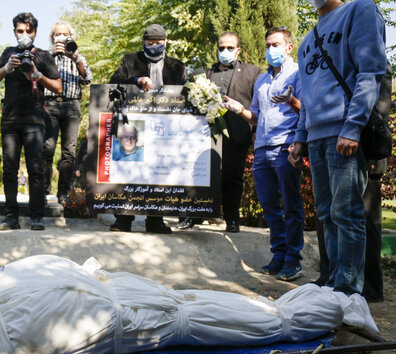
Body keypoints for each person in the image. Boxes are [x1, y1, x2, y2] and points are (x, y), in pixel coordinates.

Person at [289, 0, 386, 295]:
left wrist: (353, 126)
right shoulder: (307, 38)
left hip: (343, 132)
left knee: (347, 213)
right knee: (326, 214)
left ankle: (348, 289)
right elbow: (306, 96)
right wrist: (299, 137)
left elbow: (369, 73)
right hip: (316, 137)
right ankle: (331, 282)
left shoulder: (360, 10)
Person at [221, 27, 304, 282]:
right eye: (268, 45)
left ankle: (293, 260)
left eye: (276, 44)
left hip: (285, 147)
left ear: (289, 48)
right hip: (262, 150)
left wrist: (292, 105)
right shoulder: (262, 80)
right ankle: (278, 254)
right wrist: (238, 109)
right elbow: (255, 116)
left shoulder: (298, 74)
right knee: (269, 207)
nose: (271, 50)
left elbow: (306, 110)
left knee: (291, 206)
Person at [179, 32, 261, 232]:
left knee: (233, 177)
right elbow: (186, 98)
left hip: (237, 132)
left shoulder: (253, 72)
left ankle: (232, 219)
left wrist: (256, 130)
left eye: (230, 48)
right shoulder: (203, 74)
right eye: (222, 48)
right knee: (201, 175)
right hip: (206, 135)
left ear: (238, 50)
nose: (225, 51)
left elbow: (259, 105)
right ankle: (195, 215)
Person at [108, 23, 186, 234]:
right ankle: (124, 219)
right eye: (150, 43)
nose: (154, 47)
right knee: (131, 171)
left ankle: (155, 220)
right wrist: (135, 80)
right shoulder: (130, 60)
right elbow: (112, 84)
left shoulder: (177, 67)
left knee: (159, 173)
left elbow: (187, 94)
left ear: (165, 42)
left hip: (165, 128)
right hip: (135, 123)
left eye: (158, 43)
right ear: (143, 43)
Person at [0, 12, 62, 231]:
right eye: (20, 31)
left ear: (35, 32)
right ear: (14, 32)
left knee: (35, 168)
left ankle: (36, 216)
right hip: (10, 120)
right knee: (9, 168)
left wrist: (38, 75)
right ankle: (11, 216)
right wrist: (7, 68)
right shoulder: (8, 53)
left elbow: (58, 87)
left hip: (34, 120)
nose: (24, 35)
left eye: (28, 31)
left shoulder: (43, 56)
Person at [43, 21, 92, 205]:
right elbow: (36, 77)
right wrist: (53, 55)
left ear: (70, 36)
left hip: (71, 106)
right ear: (52, 37)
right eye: (57, 34)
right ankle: (44, 191)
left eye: (65, 34)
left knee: (69, 152)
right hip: (50, 105)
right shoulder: (45, 56)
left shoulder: (78, 57)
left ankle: (63, 192)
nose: (61, 37)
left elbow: (87, 79)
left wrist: (76, 57)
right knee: (46, 149)